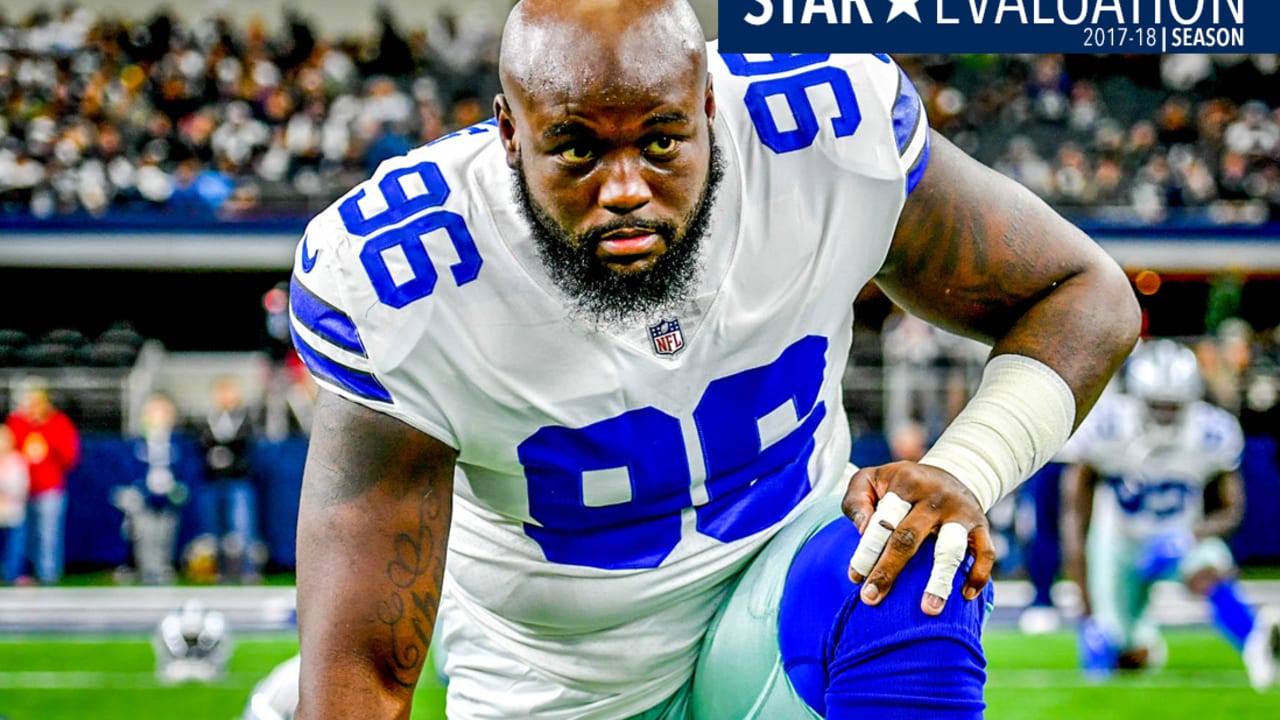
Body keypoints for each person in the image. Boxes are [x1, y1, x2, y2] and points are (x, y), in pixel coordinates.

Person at [289, 1, 1140, 717]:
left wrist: (969, 468)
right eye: (578, 148)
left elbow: (1085, 293)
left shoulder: (820, 133)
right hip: (559, 680)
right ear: (509, 134)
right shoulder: (405, 276)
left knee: (914, 554)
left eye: (661, 141)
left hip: (777, 606)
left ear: (708, 107)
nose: (624, 188)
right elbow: (361, 669)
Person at [1062, 339, 1280, 689]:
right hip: (1119, 539)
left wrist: (1189, 537)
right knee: (1122, 655)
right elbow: (1074, 513)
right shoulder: (1106, 426)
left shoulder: (1210, 431)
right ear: (1135, 396)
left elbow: (1232, 510)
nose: (1164, 415)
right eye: (1156, 405)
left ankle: (1256, 642)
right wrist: (1087, 610)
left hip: (1180, 533)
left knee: (1209, 569)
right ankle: (1138, 643)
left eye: (1173, 406)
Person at [112, 393, 195, 585]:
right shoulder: (138, 442)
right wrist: (141, 488)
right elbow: (129, 468)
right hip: (145, 495)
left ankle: (163, 566)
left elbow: (186, 468)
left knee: (165, 533)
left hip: (169, 495)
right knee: (145, 533)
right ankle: (147, 569)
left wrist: (178, 488)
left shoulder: (177, 442)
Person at [5, 377, 79, 585]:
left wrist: (46, 436)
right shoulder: (17, 423)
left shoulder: (59, 422)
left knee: (48, 535)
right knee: (21, 537)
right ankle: (18, 574)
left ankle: (48, 575)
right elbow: (7, 450)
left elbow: (70, 457)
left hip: (50, 488)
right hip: (20, 490)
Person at [197, 375, 263, 583]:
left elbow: (248, 446)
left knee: (243, 526)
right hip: (213, 481)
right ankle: (220, 569)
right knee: (214, 527)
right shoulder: (209, 419)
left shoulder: (246, 419)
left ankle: (248, 569)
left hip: (238, 480)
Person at [0, 426, 29, 584]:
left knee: (15, 544)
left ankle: (12, 574)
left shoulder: (16, 460)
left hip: (12, 508)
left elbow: (22, 485)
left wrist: (7, 493)